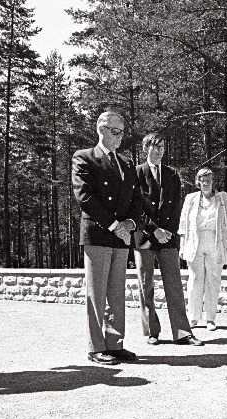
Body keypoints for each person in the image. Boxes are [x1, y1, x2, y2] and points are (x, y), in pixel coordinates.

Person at [72, 111, 143, 365]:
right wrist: (115, 225)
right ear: (100, 130)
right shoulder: (85, 158)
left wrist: (130, 224)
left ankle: (115, 343)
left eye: (122, 132)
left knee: (116, 293)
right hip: (99, 234)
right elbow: (85, 197)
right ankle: (96, 347)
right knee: (97, 293)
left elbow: (136, 201)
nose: (120, 137)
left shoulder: (126, 164)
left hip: (121, 236)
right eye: (115, 131)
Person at [134, 133, 204, 347]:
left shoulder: (172, 174)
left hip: (168, 238)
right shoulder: (136, 172)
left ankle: (183, 332)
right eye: (154, 147)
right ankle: (151, 332)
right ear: (146, 149)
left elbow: (176, 209)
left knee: (174, 285)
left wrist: (168, 232)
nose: (158, 151)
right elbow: (134, 207)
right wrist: (154, 230)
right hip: (144, 237)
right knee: (146, 286)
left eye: (162, 147)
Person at [178, 167, 227, 331]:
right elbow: (183, 225)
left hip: (216, 242)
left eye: (209, 181)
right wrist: (183, 245)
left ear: (213, 182)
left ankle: (210, 319)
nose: (205, 183)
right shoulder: (190, 199)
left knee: (213, 280)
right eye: (202, 181)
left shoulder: (224, 198)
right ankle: (193, 317)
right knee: (195, 280)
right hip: (195, 243)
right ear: (198, 182)